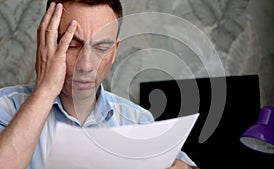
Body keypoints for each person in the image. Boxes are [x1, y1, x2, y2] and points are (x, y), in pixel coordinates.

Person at [0, 0, 200, 168]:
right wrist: (45, 91)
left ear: (114, 51)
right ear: (47, 44)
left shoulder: (137, 120)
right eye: (72, 45)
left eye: (102, 47)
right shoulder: (6, 108)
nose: (86, 66)